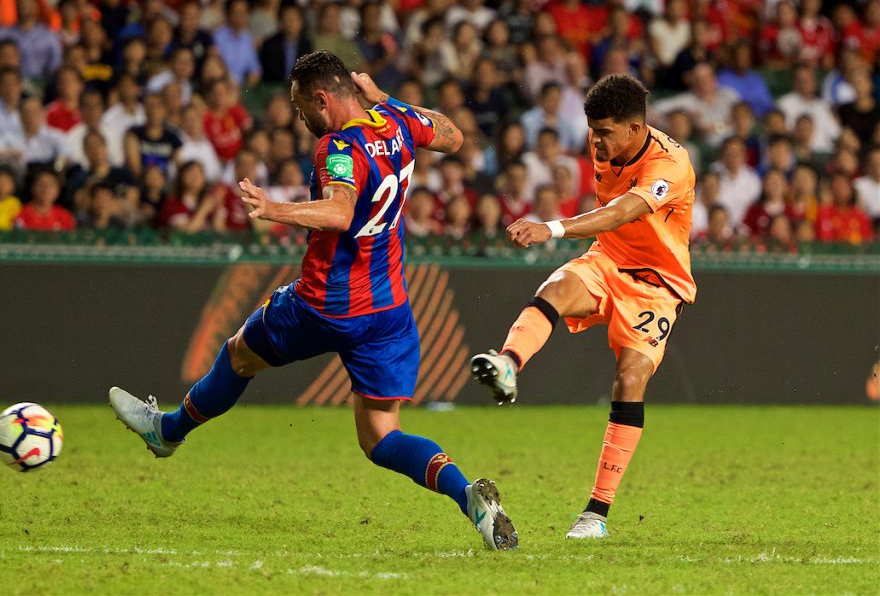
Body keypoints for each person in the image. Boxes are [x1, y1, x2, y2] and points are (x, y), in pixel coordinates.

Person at [109, 50, 518, 551]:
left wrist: (273, 208)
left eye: (301, 105)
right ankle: (467, 496)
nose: (299, 116)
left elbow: (341, 211)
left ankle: (167, 432)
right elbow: (452, 137)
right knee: (381, 437)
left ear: (323, 99)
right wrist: (387, 98)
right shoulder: (396, 120)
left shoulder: (337, 145)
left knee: (240, 352)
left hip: (326, 303)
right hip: (388, 311)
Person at [469, 74, 696, 539]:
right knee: (556, 289)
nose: (595, 141)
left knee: (630, 379)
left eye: (605, 132)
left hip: (657, 284)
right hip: (607, 258)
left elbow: (621, 213)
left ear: (634, 129)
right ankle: (508, 365)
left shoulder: (670, 166)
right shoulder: (605, 147)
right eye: (593, 131)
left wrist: (550, 229)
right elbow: (609, 226)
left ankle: (596, 514)